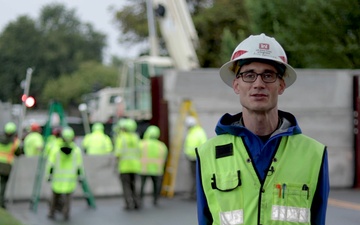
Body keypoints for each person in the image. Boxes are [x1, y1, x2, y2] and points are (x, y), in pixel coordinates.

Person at [196, 33, 329, 225]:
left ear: (281, 85)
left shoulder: (314, 154)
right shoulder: (208, 154)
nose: (258, 84)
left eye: (268, 75)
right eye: (249, 75)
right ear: (236, 85)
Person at [46, 126, 84, 221]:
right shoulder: (76, 151)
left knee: (54, 197)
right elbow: (79, 166)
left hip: (57, 178)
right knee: (68, 199)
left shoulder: (55, 149)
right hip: (70, 179)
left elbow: (51, 164)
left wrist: (48, 176)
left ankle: (52, 212)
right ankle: (66, 214)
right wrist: (80, 176)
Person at [114, 118, 141, 210]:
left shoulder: (121, 138)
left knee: (126, 186)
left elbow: (118, 153)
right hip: (135, 166)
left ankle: (128, 203)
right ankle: (137, 202)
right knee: (134, 185)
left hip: (124, 166)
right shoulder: (136, 137)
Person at [139, 125, 168, 206]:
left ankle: (140, 199)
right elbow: (164, 158)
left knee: (142, 185)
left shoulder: (142, 144)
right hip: (157, 169)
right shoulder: (162, 146)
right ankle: (155, 199)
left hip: (144, 168)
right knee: (156, 186)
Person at [183, 115, 207, 200]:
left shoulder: (198, 132)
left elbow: (204, 145)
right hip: (192, 158)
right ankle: (194, 194)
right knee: (195, 177)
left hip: (197, 158)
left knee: (197, 177)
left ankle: (196, 194)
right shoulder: (194, 132)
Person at [0, 122, 21, 209]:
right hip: (6, 166)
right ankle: (1, 202)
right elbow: (18, 153)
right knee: (3, 184)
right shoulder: (15, 142)